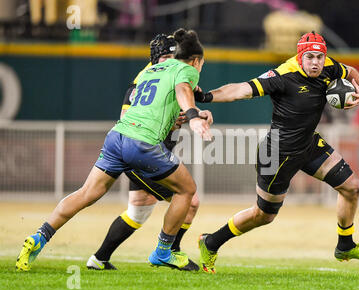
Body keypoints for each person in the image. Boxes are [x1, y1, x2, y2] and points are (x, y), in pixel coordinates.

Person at [16, 28, 212, 272]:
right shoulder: (184, 70)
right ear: (194, 59)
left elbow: (169, 102)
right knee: (188, 192)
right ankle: (164, 251)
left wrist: (191, 113)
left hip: (117, 137)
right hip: (143, 144)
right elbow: (183, 91)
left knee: (88, 192)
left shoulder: (149, 72)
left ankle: (39, 237)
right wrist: (193, 117)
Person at [194, 31, 359, 274]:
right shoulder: (282, 76)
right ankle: (210, 242)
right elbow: (241, 89)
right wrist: (206, 96)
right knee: (263, 215)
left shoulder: (329, 66)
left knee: (352, 187)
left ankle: (345, 245)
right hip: (277, 154)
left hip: (308, 145)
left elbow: (352, 71)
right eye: (310, 57)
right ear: (300, 56)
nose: (316, 62)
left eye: (320, 57)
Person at [86, 33, 202, 271]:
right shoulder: (145, 79)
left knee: (138, 209)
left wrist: (192, 114)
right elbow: (128, 120)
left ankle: (99, 259)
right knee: (190, 200)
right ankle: (169, 252)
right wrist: (182, 119)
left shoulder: (167, 75)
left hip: (149, 151)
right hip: (143, 151)